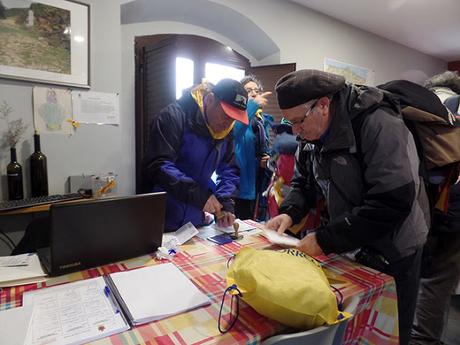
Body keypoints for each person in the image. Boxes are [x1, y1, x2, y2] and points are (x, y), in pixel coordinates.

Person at [267, 69, 430, 345]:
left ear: (323, 105)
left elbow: (393, 201)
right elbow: (303, 183)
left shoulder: (378, 122)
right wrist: (289, 212)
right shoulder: (309, 135)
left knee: (390, 329)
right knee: (355, 325)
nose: (295, 131)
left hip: (396, 246)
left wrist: (325, 238)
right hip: (353, 238)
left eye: (298, 121)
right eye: (289, 122)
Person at [145, 78, 248, 232]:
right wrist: (200, 196)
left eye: (234, 119)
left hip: (194, 221)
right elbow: (160, 164)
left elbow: (229, 170)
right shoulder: (174, 116)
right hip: (162, 216)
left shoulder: (225, 130)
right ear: (210, 99)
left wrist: (225, 202)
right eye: (226, 115)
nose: (228, 123)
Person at [409, 72, 460, 345]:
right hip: (452, 207)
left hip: (414, 206)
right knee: (438, 281)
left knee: (414, 273)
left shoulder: (412, 108)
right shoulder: (456, 105)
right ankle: (424, 339)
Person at [233, 75, 272, 220]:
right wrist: (252, 106)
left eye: (256, 90)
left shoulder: (261, 120)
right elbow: (235, 134)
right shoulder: (235, 118)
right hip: (238, 186)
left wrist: (266, 159)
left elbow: (261, 148)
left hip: (258, 180)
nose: (254, 93)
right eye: (249, 91)